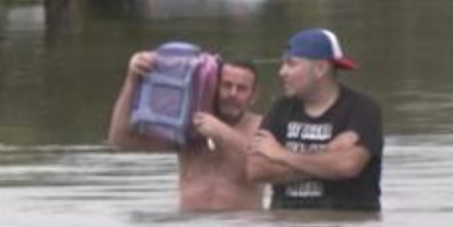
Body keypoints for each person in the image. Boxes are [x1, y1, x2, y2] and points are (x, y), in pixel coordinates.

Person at [107, 50, 264, 211]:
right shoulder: (188, 126)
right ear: (213, 86)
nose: (232, 94)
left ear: (253, 95)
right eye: (226, 85)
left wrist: (222, 133)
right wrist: (132, 80)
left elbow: (270, 164)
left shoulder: (263, 127)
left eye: (241, 89)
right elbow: (120, 139)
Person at [247, 28, 383, 210]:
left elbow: (347, 166)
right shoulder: (280, 108)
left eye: (291, 64)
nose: (282, 72)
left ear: (320, 69)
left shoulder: (363, 109)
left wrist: (281, 154)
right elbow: (256, 169)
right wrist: (327, 155)